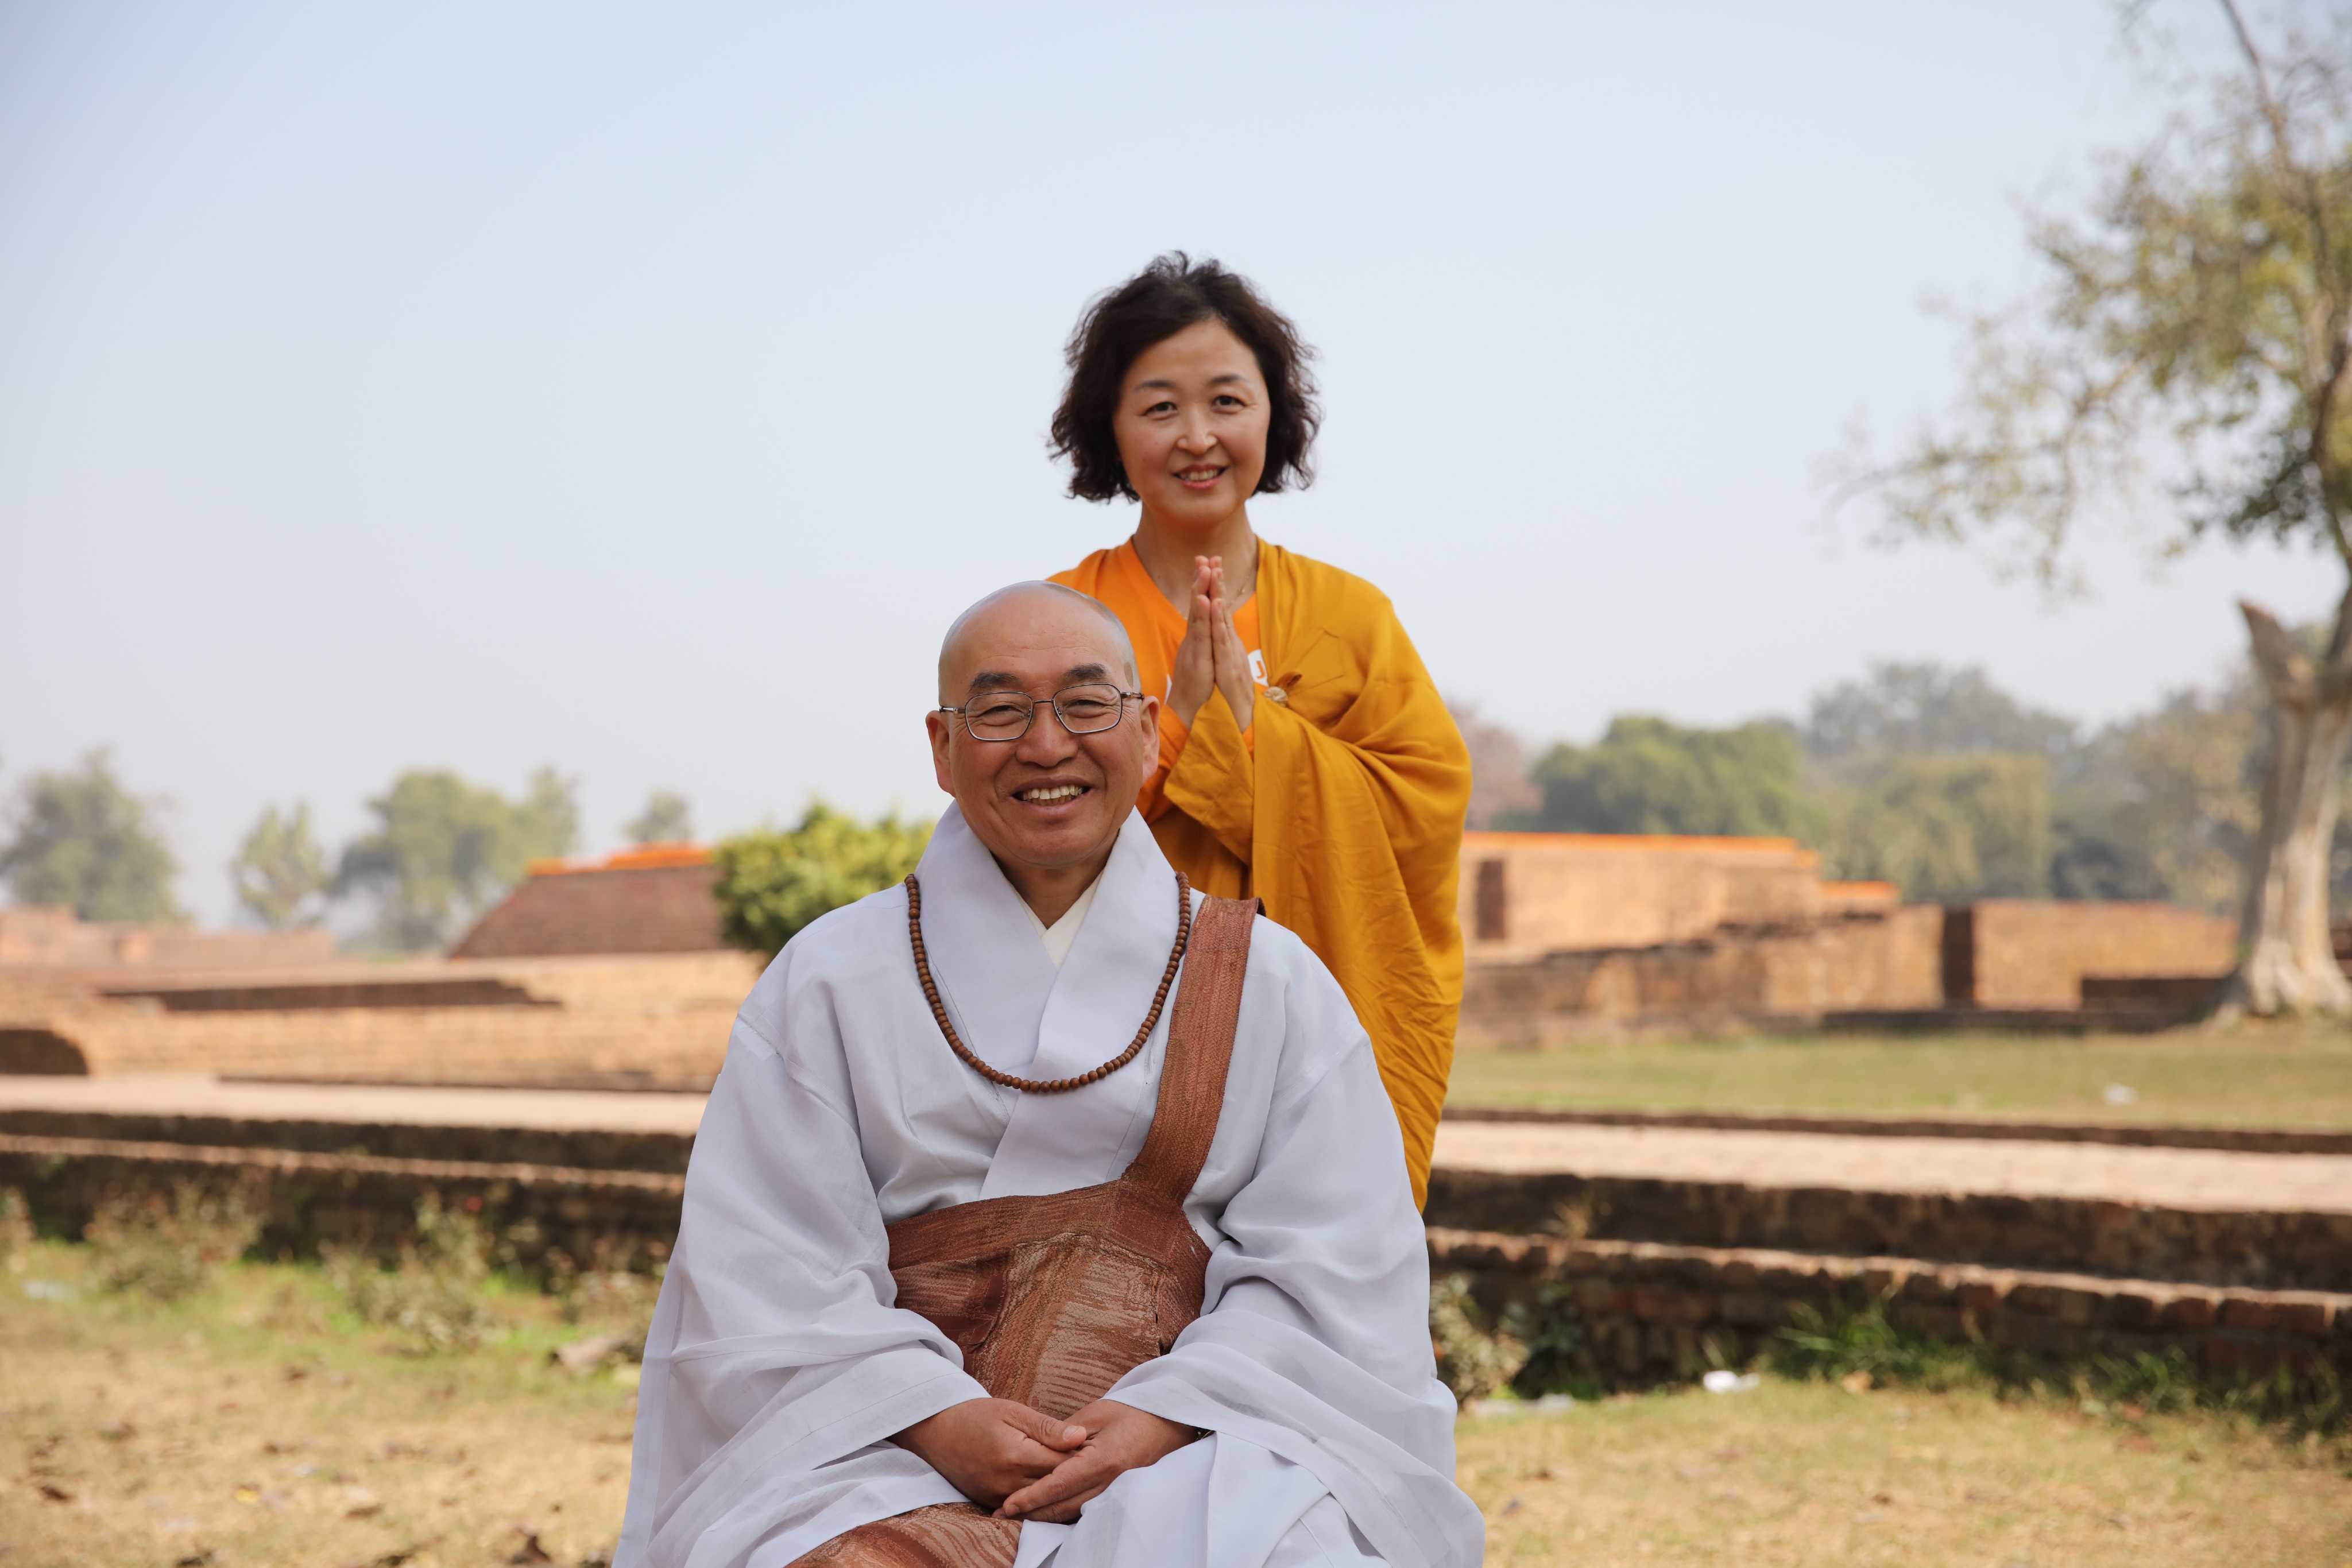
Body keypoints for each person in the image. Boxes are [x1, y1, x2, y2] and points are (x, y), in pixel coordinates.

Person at [613, 582, 1481, 1568]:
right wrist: (937, 1415)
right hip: (878, 1445)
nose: (1046, 745)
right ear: (943, 749)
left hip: (1204, 1442)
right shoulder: (827, 979)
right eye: (999, 710)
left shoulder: (1273, 982)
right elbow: (766, 1268)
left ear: (1151, 731)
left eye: (1085, 703)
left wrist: (1163, 1417)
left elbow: (1333, 1264)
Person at [1048, 254, 1472, 1207]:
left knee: (1313, 1305)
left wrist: (1256, 742)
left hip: (1310, 1043)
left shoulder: (1349, 616)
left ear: (1272, 415)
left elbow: (1423, 812)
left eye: (1226, 402)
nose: (1197, 437)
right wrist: (1184, 732)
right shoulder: (1065, 621)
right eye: (1159, 407)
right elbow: (1025, 828)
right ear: (1110, 430)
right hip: (1112, 1049)